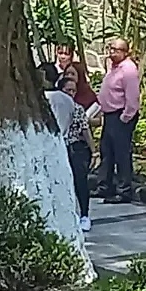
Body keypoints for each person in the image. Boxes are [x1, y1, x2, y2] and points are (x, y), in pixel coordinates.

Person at [96, 38, 141, 204]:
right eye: (111, 48)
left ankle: (124, 191)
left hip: (120, 115)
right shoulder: (113, 68)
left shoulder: (128, 70)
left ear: (125, 52)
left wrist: (125, 117)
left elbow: (133, 97)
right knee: (107, 152)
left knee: (121, 153)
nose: (112, 52)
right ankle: (104, 186)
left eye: (116, 50)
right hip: (109, 115)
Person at [59, 74, 95, 232]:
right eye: (67, 90)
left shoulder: (77, 108)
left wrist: (94, 152)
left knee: (80, 181)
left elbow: (85, 130)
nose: (71, 94)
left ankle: (84, 215)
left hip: (75, 147)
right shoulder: (54, 106)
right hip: (60, 148)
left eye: (73, 91)